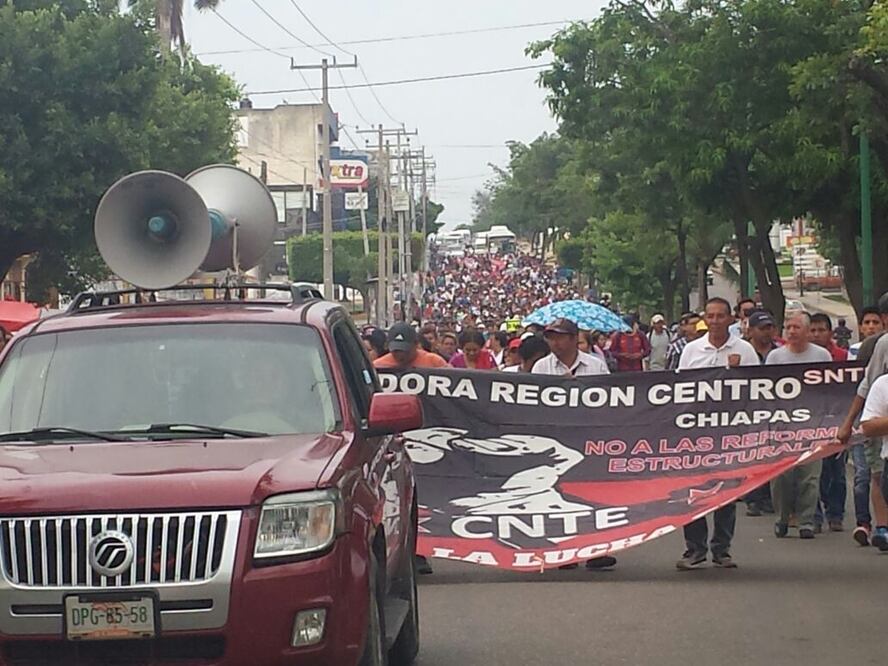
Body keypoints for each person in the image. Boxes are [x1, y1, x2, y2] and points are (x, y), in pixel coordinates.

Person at [676, 297, 759, 570]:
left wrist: (736, 374)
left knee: (727, 492)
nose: (714, 321)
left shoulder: (744, 350)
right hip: (696, 431)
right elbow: (680, 390)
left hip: (731, 431)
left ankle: (722, 549)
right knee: (694, 491)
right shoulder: (691, 351)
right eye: (710, 316)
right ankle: (695, 548)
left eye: (720, 316)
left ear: (730, 319)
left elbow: (759, 390)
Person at [532, 318, 613, 570]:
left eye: (560, 336)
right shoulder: (541, 368)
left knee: (591, 496)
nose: (555, 342)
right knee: (558, 495)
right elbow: (532, 406)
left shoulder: (595, 366)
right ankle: (564, 552)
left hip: (589, 439)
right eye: (551, 337)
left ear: (573, 338)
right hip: (555, 442)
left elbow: (611, 400)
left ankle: (596, 549)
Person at [766, 312, 832, 539]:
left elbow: (829, 390)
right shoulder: (775, 357)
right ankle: (782, 518)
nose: (792, 331)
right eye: (788, 327)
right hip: (782, 426)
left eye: (796, 327)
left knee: (810, 476)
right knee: (781, 476)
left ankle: (806, 521)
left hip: (812, 425)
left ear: (806, 330)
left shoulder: (822, 355)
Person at [837, 292, 888, 549]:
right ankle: (881, 526)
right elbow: (868, 386)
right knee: (876, 473)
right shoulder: (882, 346)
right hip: (880, 417)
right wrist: (848, 422)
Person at [809, 312, 848, 531]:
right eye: (812, 330)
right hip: (812, 423)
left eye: (821, 330)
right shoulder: (805, 356)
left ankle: (836, 514)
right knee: (816, 472)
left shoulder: (842, 356)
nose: (816, 335)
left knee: (837, 472)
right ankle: (815, 515)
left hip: (838, 421)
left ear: (830, 332)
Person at [742, 310, 779, 517]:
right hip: (749, 411)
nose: (766, 332)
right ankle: (753, 498)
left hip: (775, 411)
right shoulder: (743, 352)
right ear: (751, 330)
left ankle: (768, 497)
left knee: (771, 455)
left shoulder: (779, 352)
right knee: (753, 455)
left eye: (769, 327)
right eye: (761, 328)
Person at [373, 323, 449, 370]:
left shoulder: (434, 362)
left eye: (405, 351)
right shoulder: (378, 366)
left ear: (416, 345)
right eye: (396, 351)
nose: (400, 356)